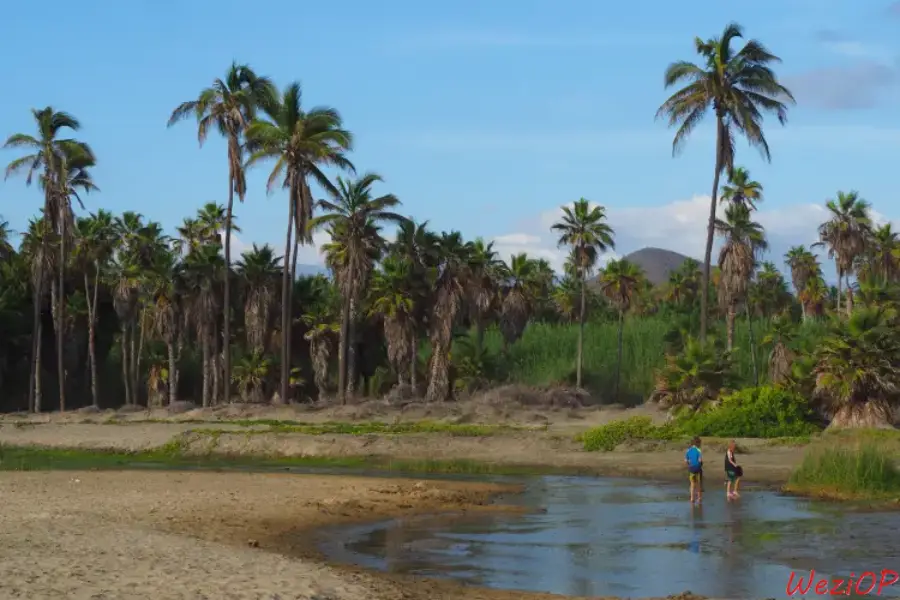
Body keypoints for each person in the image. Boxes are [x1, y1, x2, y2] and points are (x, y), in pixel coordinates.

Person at [684, 437, 703, 504]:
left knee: (692, 484)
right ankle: (699, 497)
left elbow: (686, 460)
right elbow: (700, 460)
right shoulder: (699, 450)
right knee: (698, 483)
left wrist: (689, 464)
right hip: (697, 468)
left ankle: (692, 498)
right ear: (697, 443)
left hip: (691, 468)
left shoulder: (688, 450)